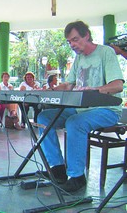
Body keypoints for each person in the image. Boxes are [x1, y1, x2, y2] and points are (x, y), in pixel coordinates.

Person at [37, 20, 124, 193]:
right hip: (82, 109)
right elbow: (69, 85)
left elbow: (118, 85)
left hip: (107, 110)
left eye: (75, 39)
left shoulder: (105, 53)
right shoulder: (78, 59)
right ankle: (57, 168)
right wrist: (49, 89)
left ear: (87, 36)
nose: (72, 45)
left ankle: (77, 176)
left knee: (75, 122)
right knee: (43, 118)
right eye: (69, 42)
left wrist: (95, 89)